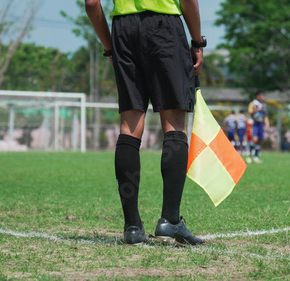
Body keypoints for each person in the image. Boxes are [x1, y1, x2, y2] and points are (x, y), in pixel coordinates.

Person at [85, 0, 205, 245]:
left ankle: (132, 227)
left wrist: (110, 48)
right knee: (174, 124)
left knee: (129, 126)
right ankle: (170, 221)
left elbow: (91, 4)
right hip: (164, 28)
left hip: (123, 31)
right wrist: (197, 42)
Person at [247, 90, 269, 164]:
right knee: (255, 139)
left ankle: (256, 157)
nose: (263, 97)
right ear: (257, 96)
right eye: (261, 95)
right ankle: (249, 156)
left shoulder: (264, 105)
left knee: (260, 140)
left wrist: (267, 124)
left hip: (260, 123)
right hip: (254, 123)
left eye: (263, 95)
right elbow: (250, 112)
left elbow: (265, 116)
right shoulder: (253, 103)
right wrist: (256, 110)